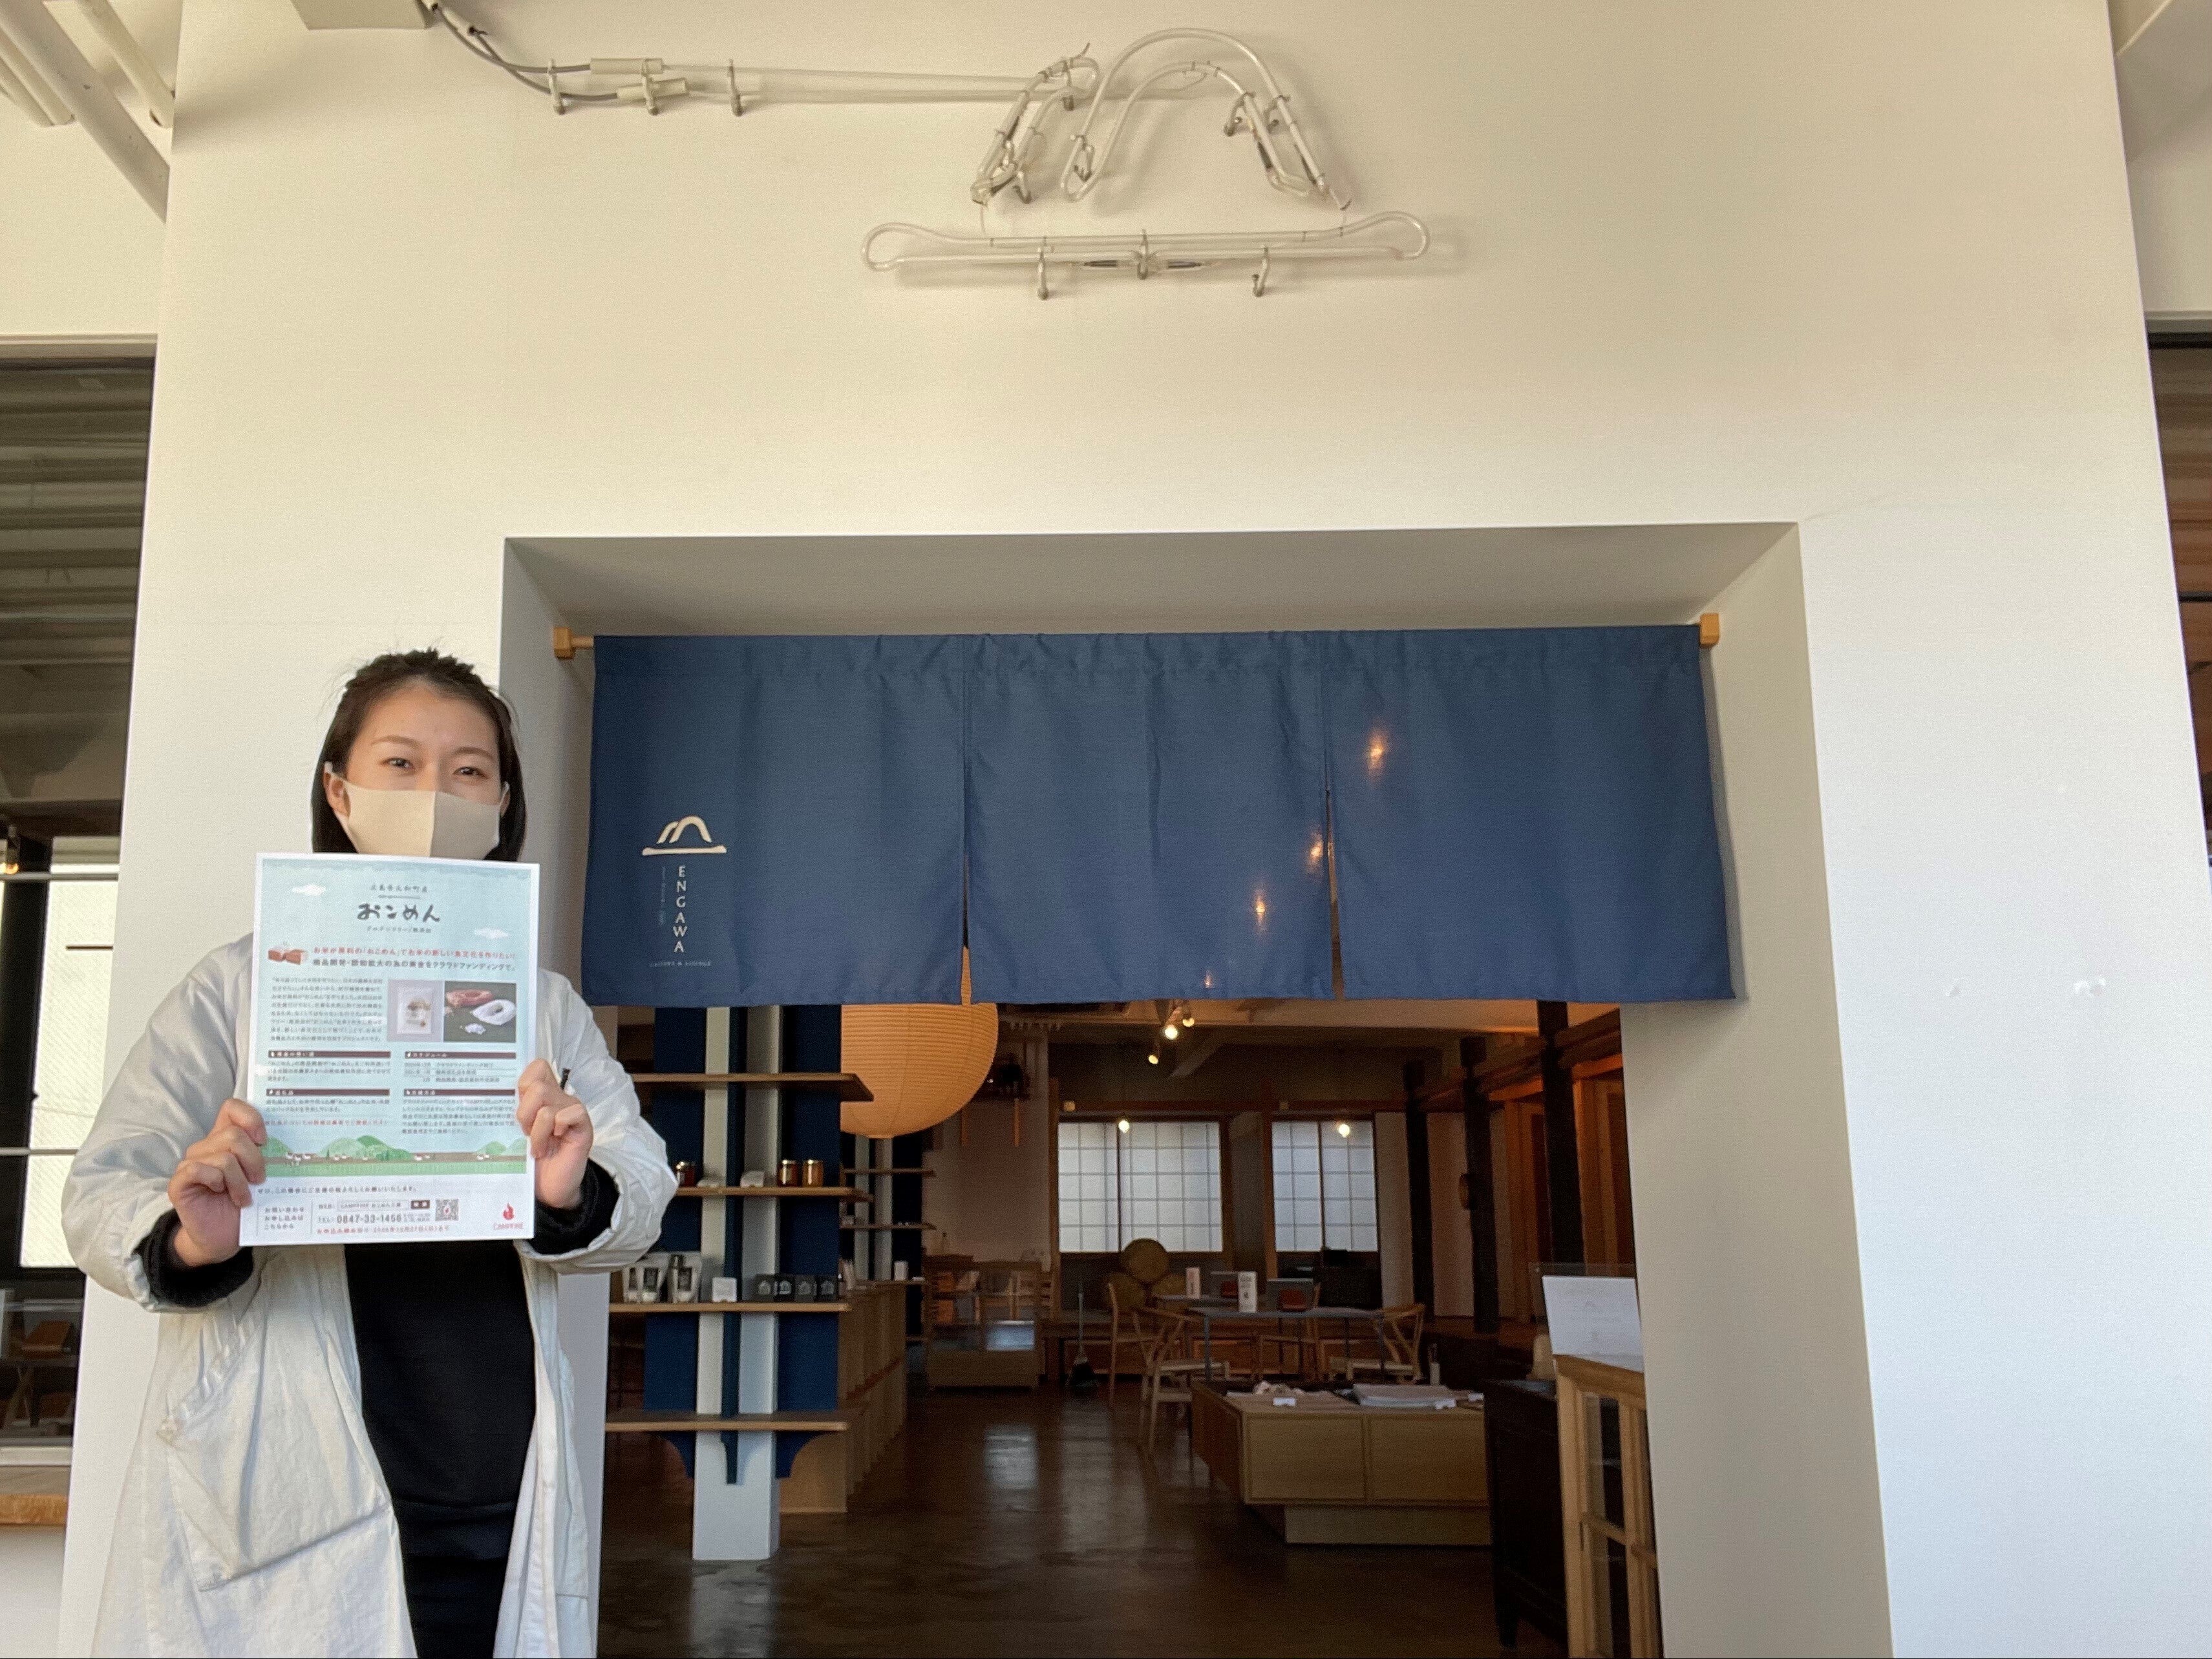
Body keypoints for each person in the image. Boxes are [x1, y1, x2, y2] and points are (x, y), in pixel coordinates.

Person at [64, 650, 675, 1659]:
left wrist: (570, 1192)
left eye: (469, 771)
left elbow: (641, 1183)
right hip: (283, 1481)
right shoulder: (236, 990)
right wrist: (191, 1239)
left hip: (493, 1483)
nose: (435, 794)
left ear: (502, 805)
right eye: (400, 763)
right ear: (339, 794)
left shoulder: (542, 1005)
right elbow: (100, 1192)